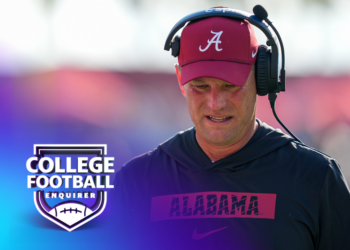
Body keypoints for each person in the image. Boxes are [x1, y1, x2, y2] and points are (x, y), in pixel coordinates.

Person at [112, 11, 350, 250]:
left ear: (261, 77)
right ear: (180, 79)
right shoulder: (135, 182)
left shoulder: (315, 179)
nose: (216, 103)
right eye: (201, 86)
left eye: (230, 86)